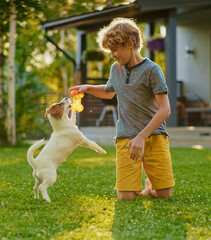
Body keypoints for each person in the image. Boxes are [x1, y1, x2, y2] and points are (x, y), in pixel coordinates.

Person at [69, 18, 175, 201]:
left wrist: (142, 137)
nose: (112, 55)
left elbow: (165, 110)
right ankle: (140, 182)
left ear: (130, 44)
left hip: (154, 136)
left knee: (163, 195)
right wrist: (87, 88)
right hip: (126, 137)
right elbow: (110, 92)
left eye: (115, 49)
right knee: (125, 197)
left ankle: (150, 185)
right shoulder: (115, 69)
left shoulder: (152, 70)